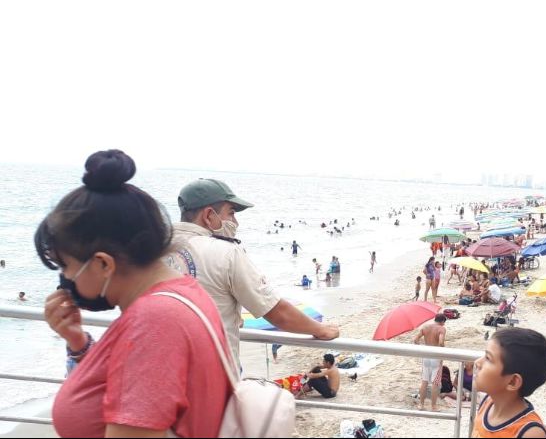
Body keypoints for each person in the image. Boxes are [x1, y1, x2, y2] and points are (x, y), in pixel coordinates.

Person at [37, 150, 230, 437]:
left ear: (103, 263)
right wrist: (79, 343)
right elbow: (136, 383)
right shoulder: (182, 293)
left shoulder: (155, 321)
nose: (64, 278)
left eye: (66, 266)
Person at [168, 178, 339, 368]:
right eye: (231, 214)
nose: (235, 221)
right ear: (209, 215)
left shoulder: (155, 249)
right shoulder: (226, 252)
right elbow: (276, 312)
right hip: (212, 370)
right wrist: (320, 329)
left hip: (166, 369)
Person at [473, 328, 546, 438]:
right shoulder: (487, 403)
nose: (477, 362)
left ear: (513, 382)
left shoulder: (529, 433)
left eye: (488, 358)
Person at [413, 313, 447, 411]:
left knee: (424, 382)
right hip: (435, 356)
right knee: (435, 383)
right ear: (442, 322)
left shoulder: (426, 327)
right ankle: (433, 406)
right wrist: (443, 349)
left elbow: (415, 340)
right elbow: (440, 342)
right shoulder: (441, 329)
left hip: (426, 355)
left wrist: (422, 347)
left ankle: (421, 404)